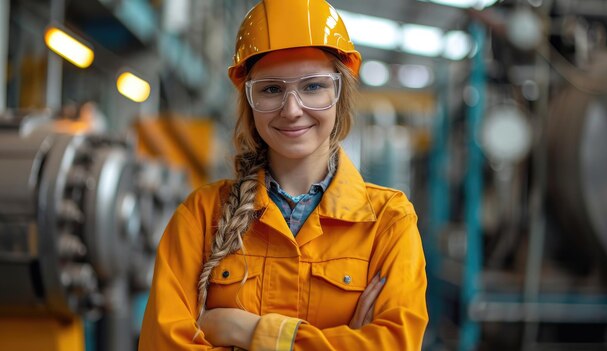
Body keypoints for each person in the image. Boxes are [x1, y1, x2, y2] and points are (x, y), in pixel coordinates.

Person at [138, 0, 428, 349]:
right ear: (249, 100)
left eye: (313, 86)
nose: (292, 110)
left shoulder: (388, 223)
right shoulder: (200, 217)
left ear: (340, 93)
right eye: (272, 89)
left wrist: (247, 332)